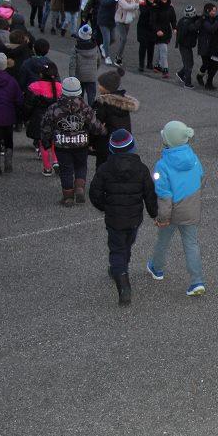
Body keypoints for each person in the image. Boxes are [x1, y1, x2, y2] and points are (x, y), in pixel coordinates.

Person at [89, 129, 158, 306]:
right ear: (132, 147)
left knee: (117, 247)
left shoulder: (104, 169)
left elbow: (94, 194)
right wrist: (154, 213)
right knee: (127, 243)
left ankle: (121, 276)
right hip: (134, 218)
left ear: (111, 150)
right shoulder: (141, 169)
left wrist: (105, 206)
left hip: (114, 219)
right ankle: (120, 269)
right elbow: (150, 194)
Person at [146, 120, 207, 297]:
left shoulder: (162, 166)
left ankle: (157, 268)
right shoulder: (194, 158)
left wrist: (162, 219)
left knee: (163, 240)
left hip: (171, 213)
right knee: (191, 244)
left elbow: (164, 197)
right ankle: (197, 281)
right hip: (191, 210)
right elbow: (202, 178)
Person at [40, 77, 104, 206]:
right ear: (79, 91)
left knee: (66, 169)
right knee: (81, 166)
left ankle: (68, 196)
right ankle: (80, 187)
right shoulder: (85, 108)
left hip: (62, 145)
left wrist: (46, 142)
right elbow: (94, 127)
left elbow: (46, 127)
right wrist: (102, 130)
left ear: (62, 91)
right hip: (81, 143)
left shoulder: (54, 108)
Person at [91, 68, 139, 169]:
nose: (98, 86)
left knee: (102, 169)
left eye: (100, 84)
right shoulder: (123, 103)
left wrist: (91, 142)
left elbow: (95, 124)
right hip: (123, 142)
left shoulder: (101, 104)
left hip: (105, 144)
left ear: (106, 88)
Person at [22, 63, 62, 177]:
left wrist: (25, 117)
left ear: (40, 74)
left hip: (40, 118)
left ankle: (47, 168)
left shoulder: (34, 86)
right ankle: (56, 161)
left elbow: (28, 105)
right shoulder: (60, 87)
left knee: (43, 143)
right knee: (55, 142)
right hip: (56, 119)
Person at [69, 24, 100, 105]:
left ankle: (80, 110)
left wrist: (72, 78)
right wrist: (94, 70)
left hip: (80, 76)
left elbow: (72, 65)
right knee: (91, 95)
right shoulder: (95, 47)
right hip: (91, 76)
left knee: (79, 96)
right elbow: (98, 61)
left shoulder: (75, 49)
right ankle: (92, 111)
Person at [151, 0, 177, 78]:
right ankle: (165, 69)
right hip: (158, 32)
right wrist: (157, 30)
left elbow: (173, 19)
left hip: (167, 31)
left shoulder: (170, 7)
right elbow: (153, 21)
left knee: (161, 49)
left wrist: (174, 28)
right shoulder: (155, 7)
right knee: (164, 50)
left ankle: (157, 66)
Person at [175, 5, 201, 89]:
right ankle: (187, 83)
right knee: (188, 64)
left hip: (185, 45)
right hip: (185, 46)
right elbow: (194, 28)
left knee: (189, 63)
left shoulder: (183, 20)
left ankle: (181, 74)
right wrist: (200, 20)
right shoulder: (187, 23)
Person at [136, 0, 157, 72]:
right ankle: (141, 64)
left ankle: (149, 63)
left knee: (151, 46)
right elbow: (145, 12)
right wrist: (152, 6)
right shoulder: (143, 5)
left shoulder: (157, 6)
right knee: (143, 46)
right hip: (143, 28)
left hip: (152, 29)